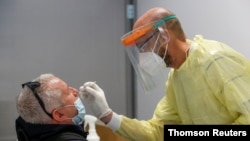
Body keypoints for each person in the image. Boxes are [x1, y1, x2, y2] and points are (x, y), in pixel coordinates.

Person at [79, 7, 250, 141]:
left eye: (143, 46)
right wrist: (108, 115)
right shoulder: (176, 78)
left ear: (164, 35)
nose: (142, 56)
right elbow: (158, 132)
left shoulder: (215, 60)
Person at [15, 73, 88, 141]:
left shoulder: (27, 132)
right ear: (59, 115)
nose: (75, 91)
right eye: (68, 92)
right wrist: (100, 115)